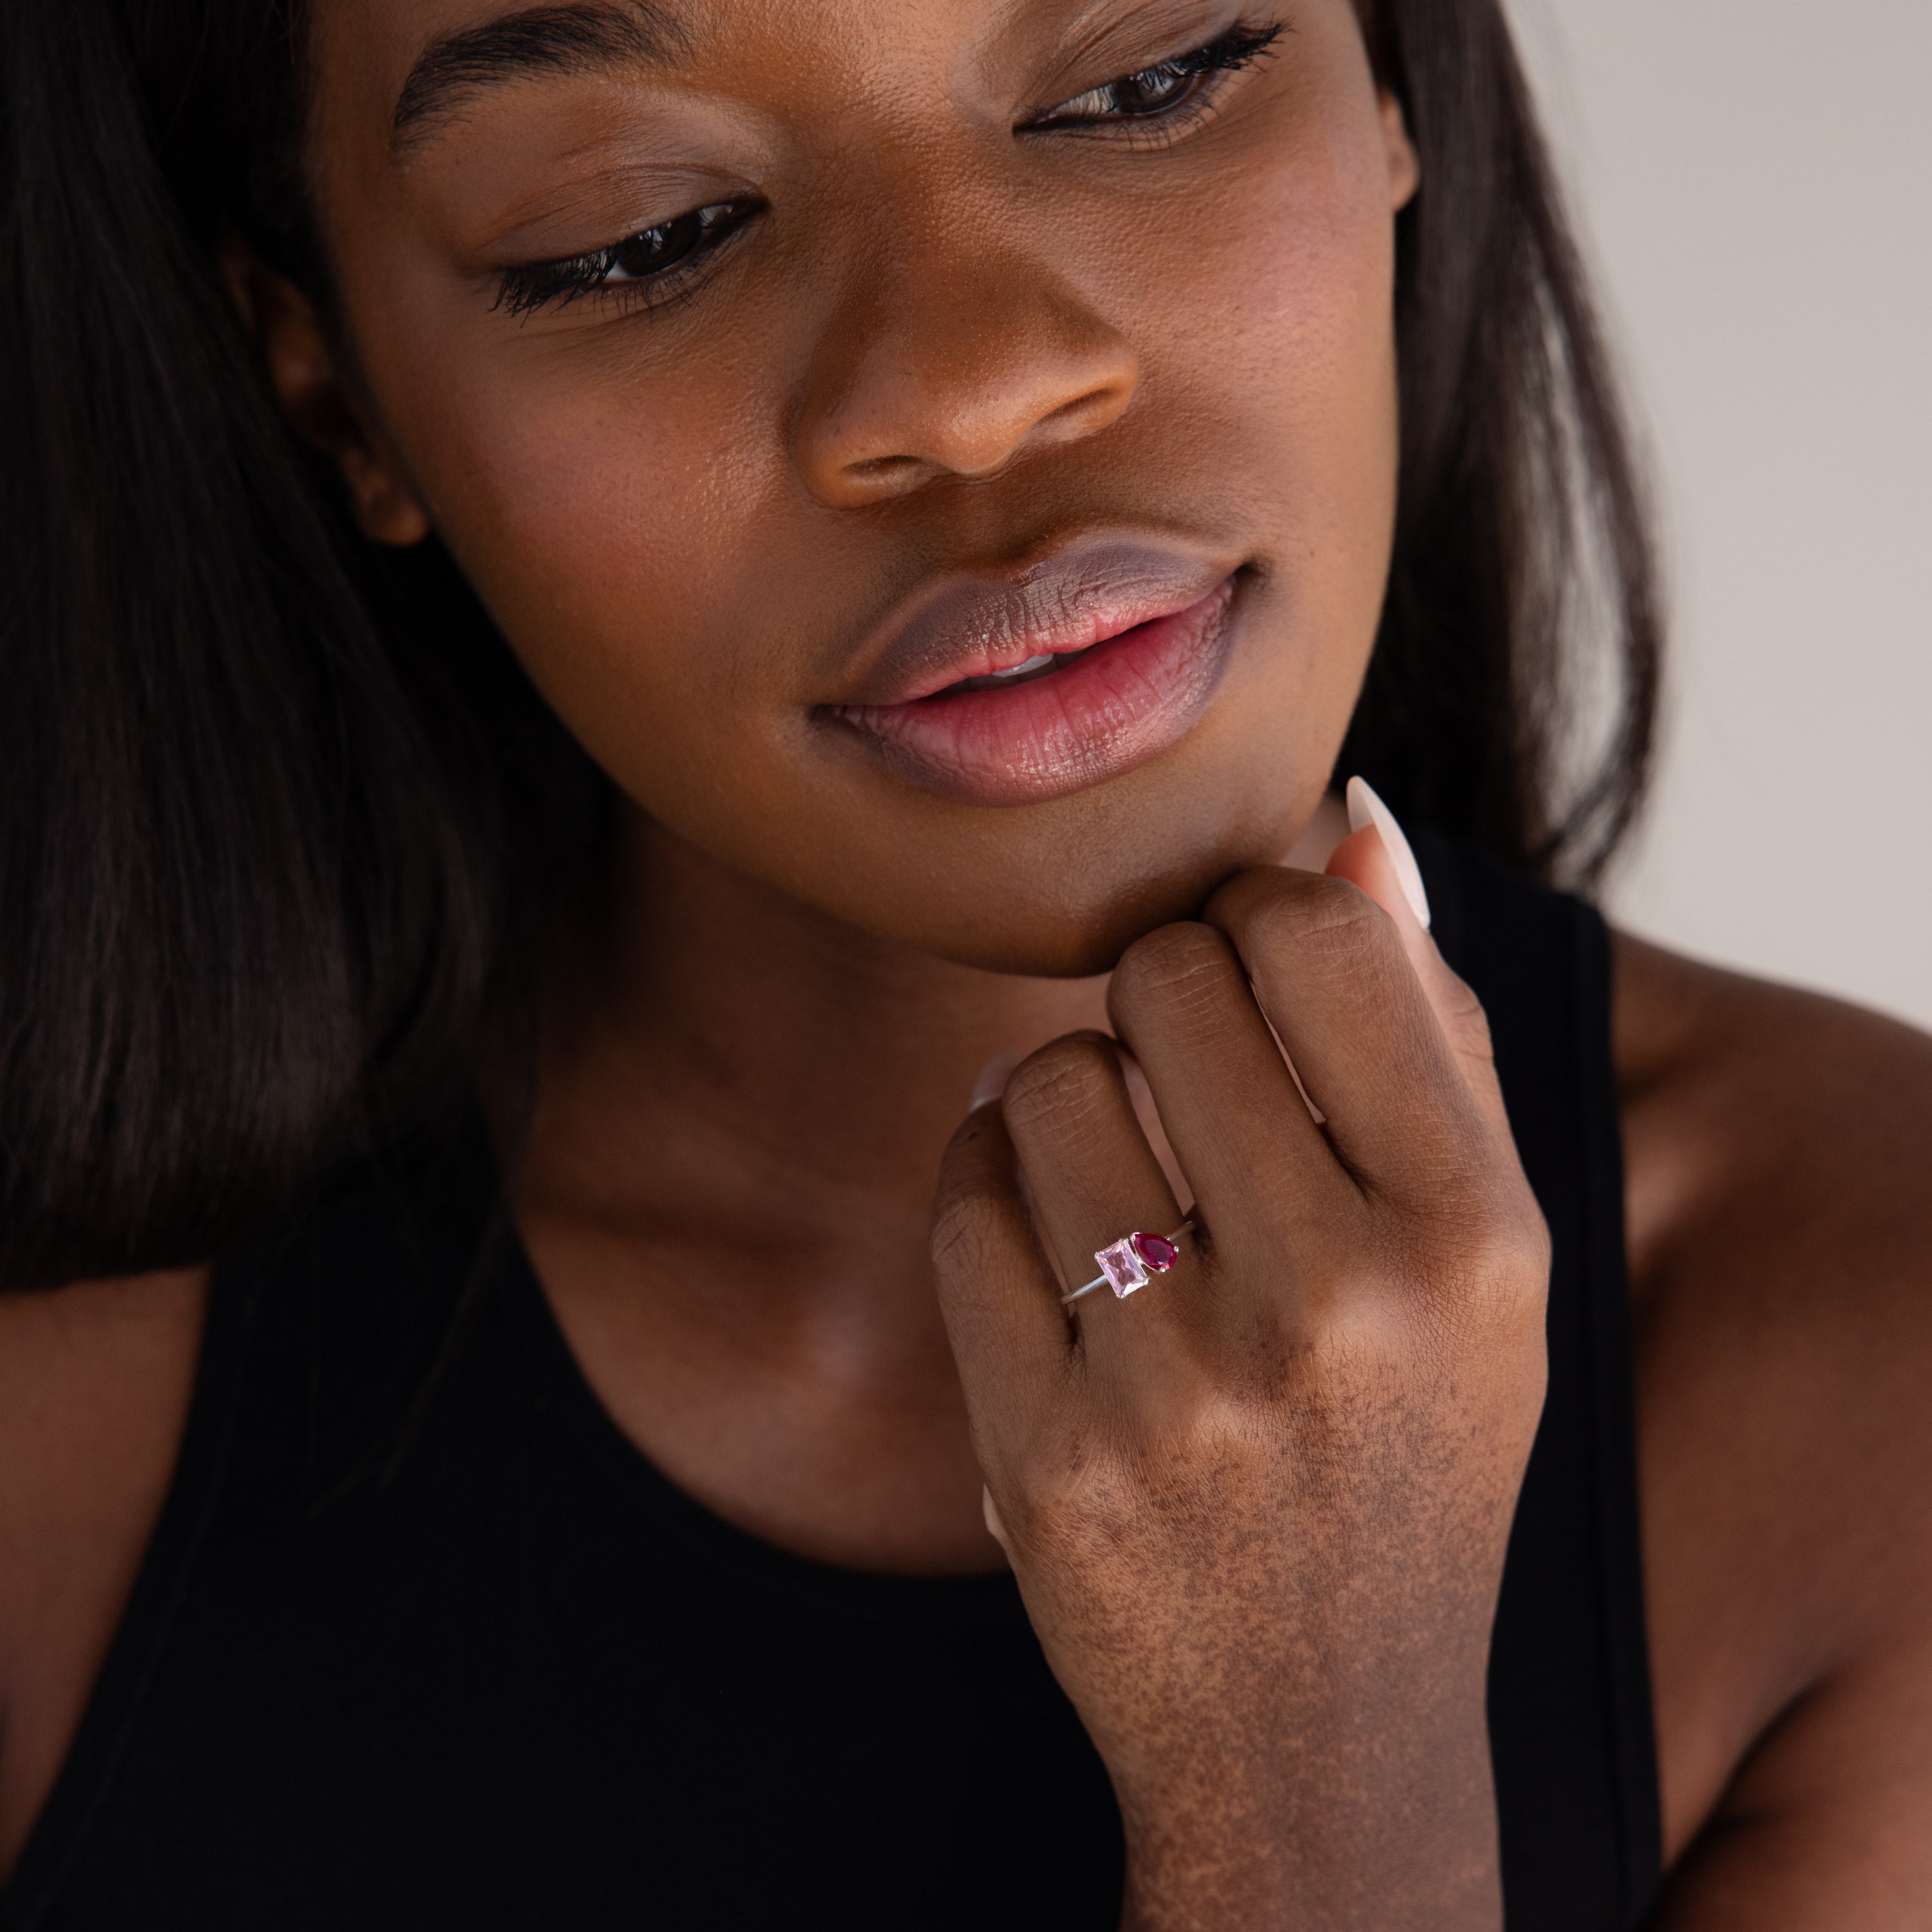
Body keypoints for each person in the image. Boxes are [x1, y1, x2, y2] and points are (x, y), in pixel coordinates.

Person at [2, 0, 1929, 1926]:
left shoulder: (1870, 1375)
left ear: (1398, 82)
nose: (976, 383)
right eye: (639, 232)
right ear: (337, 386)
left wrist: (1331, 1775)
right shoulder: (47, 1434)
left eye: (1144, 82)